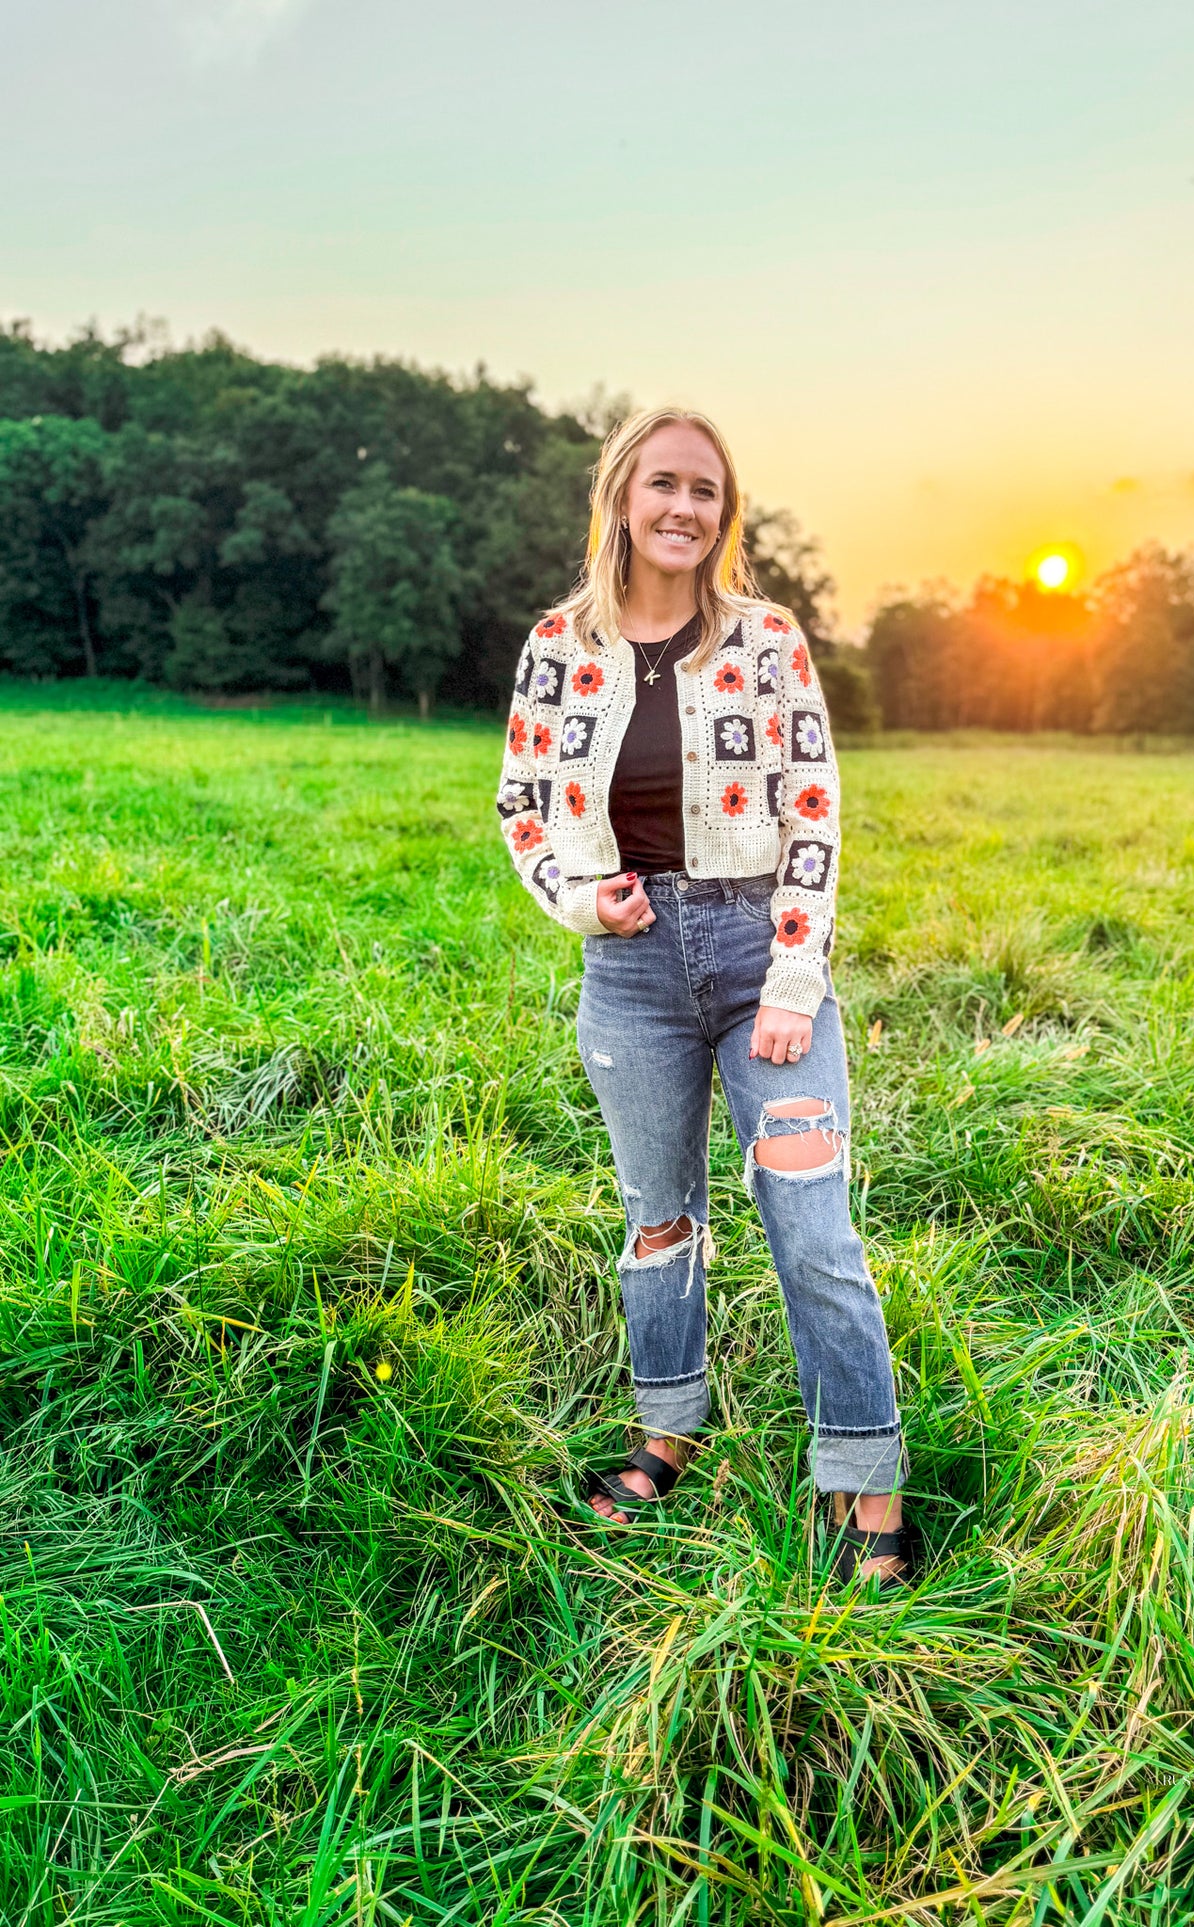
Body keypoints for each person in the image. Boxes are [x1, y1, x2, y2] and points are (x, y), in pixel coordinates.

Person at [495, 406, 909, 1588]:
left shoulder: (765, 639)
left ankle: (860, 1471)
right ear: (621, 496)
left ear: (724, 515)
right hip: (626, 969)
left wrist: (792, 976)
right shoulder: (553, 644)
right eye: (664, 484)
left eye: (708, 492)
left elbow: (814, 806)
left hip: (754, 956)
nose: (685, 508)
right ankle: (670, 1426)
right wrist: (582, 903)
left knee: (812, 1227)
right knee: (657, 1217)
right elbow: (520, 802)